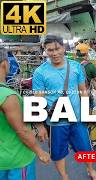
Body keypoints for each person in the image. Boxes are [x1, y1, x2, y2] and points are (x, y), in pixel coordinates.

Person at [32, 35, 96, 180]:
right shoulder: (40, 72)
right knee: (59, 152)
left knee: (85, 147)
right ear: (45, 51)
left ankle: (91, 170)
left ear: (63, 48)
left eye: (57, 49)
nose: (54, 53)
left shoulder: (75, 66)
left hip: (77, 118)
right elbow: (38, 101)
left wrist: (86, 112)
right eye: (50, 50)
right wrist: (39, 126)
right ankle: (65, 177)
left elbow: (83, 91)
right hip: (56, 122)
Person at [0, 47, 51, 180]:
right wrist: (40, 152)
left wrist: (38, 126)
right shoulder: (7, 96)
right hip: (15, 159)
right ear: (5, 63)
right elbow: (22, 130)